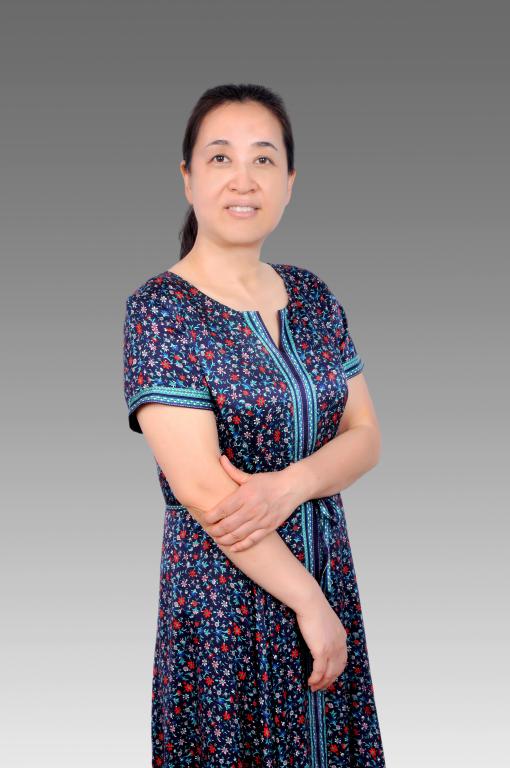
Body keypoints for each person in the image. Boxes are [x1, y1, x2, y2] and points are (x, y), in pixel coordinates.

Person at [123, 82, 386, 767]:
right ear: (187, 177)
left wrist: (288, 485)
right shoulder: (161, 309)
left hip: (327, 574)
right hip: (224, 604)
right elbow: (206, 493)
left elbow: (366, 436)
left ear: (290, 182)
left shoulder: (314, 297)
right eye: (220, 158)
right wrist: (310, 605)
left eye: (264, 159)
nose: (243, 179)